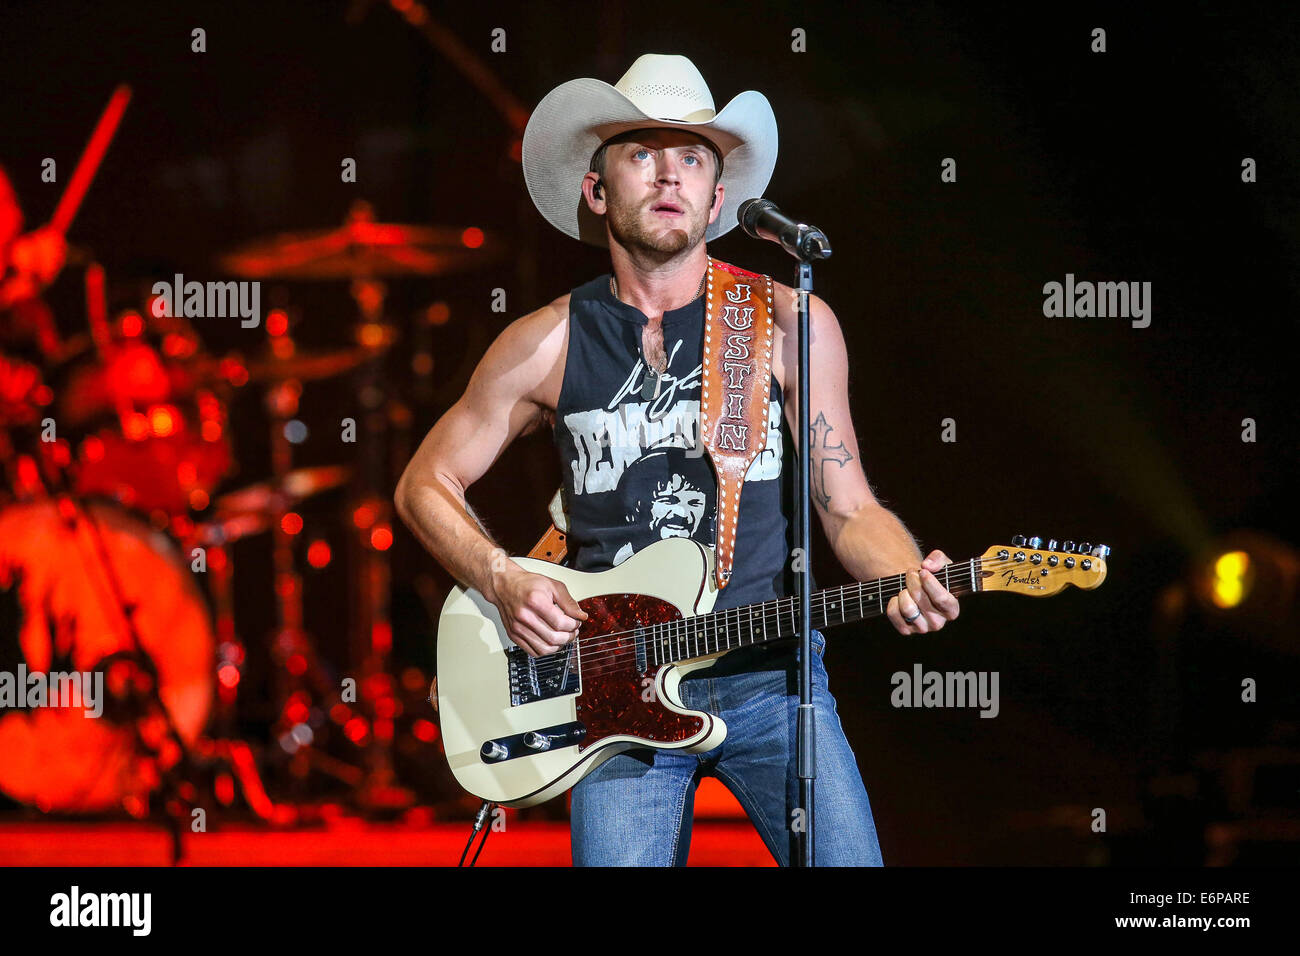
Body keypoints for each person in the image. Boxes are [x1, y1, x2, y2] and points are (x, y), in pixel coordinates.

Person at [395, 53, 960, 866]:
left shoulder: (786, 321)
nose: (670, 174)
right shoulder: (544, 342)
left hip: (772, 684)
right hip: (610, 690)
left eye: (693, 157)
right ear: (597, 190)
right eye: (642, 152)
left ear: (718, 198)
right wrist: (500, 576)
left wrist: (905, 571)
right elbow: (424, 482)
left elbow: (849, 506)